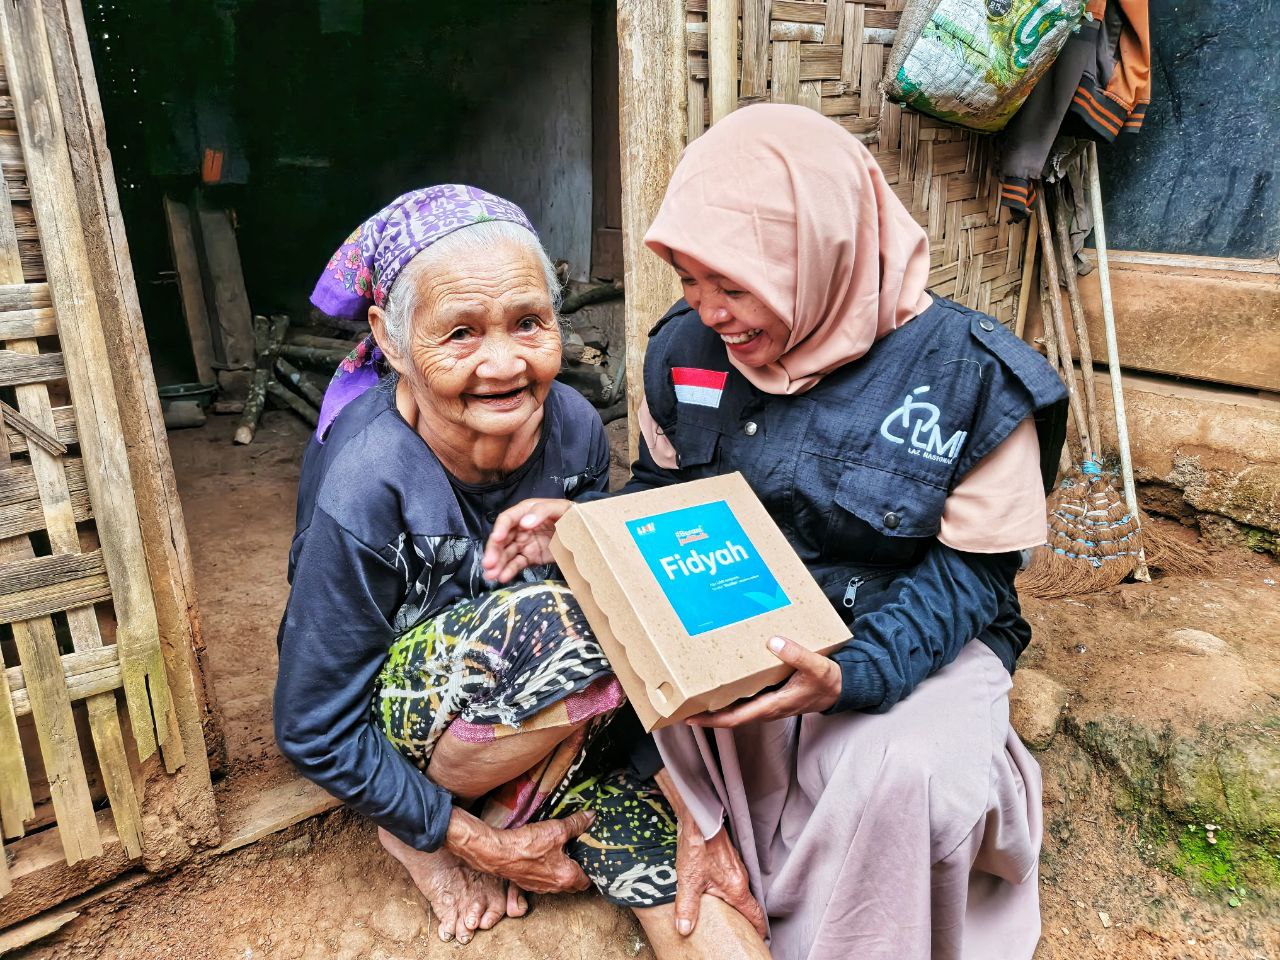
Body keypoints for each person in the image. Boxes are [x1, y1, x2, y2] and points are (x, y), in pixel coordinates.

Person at [482, 105, 1069, 960]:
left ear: (820, 248)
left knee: (904, 775)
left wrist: (851, 676)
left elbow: (973, 581)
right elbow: (662, 497)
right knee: (633, 676)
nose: (709, 310)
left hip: (902, 635)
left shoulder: (975, 383)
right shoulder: (681, 352)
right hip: (738, 619)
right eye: (688, 279)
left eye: (734, 283)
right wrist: (587, 530)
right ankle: (717, 846)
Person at [273, 185, 689, 948]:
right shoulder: (366, 482)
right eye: (460, 333)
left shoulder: (572, 425)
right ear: (393, 343)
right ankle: (416, 826)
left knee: (613, 605)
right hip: (397, 715)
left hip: (515, 687)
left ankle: (531, 791)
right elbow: (312, 727)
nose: (504, 363)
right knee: (573, 619)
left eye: (529, 323)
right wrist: (464, 839)